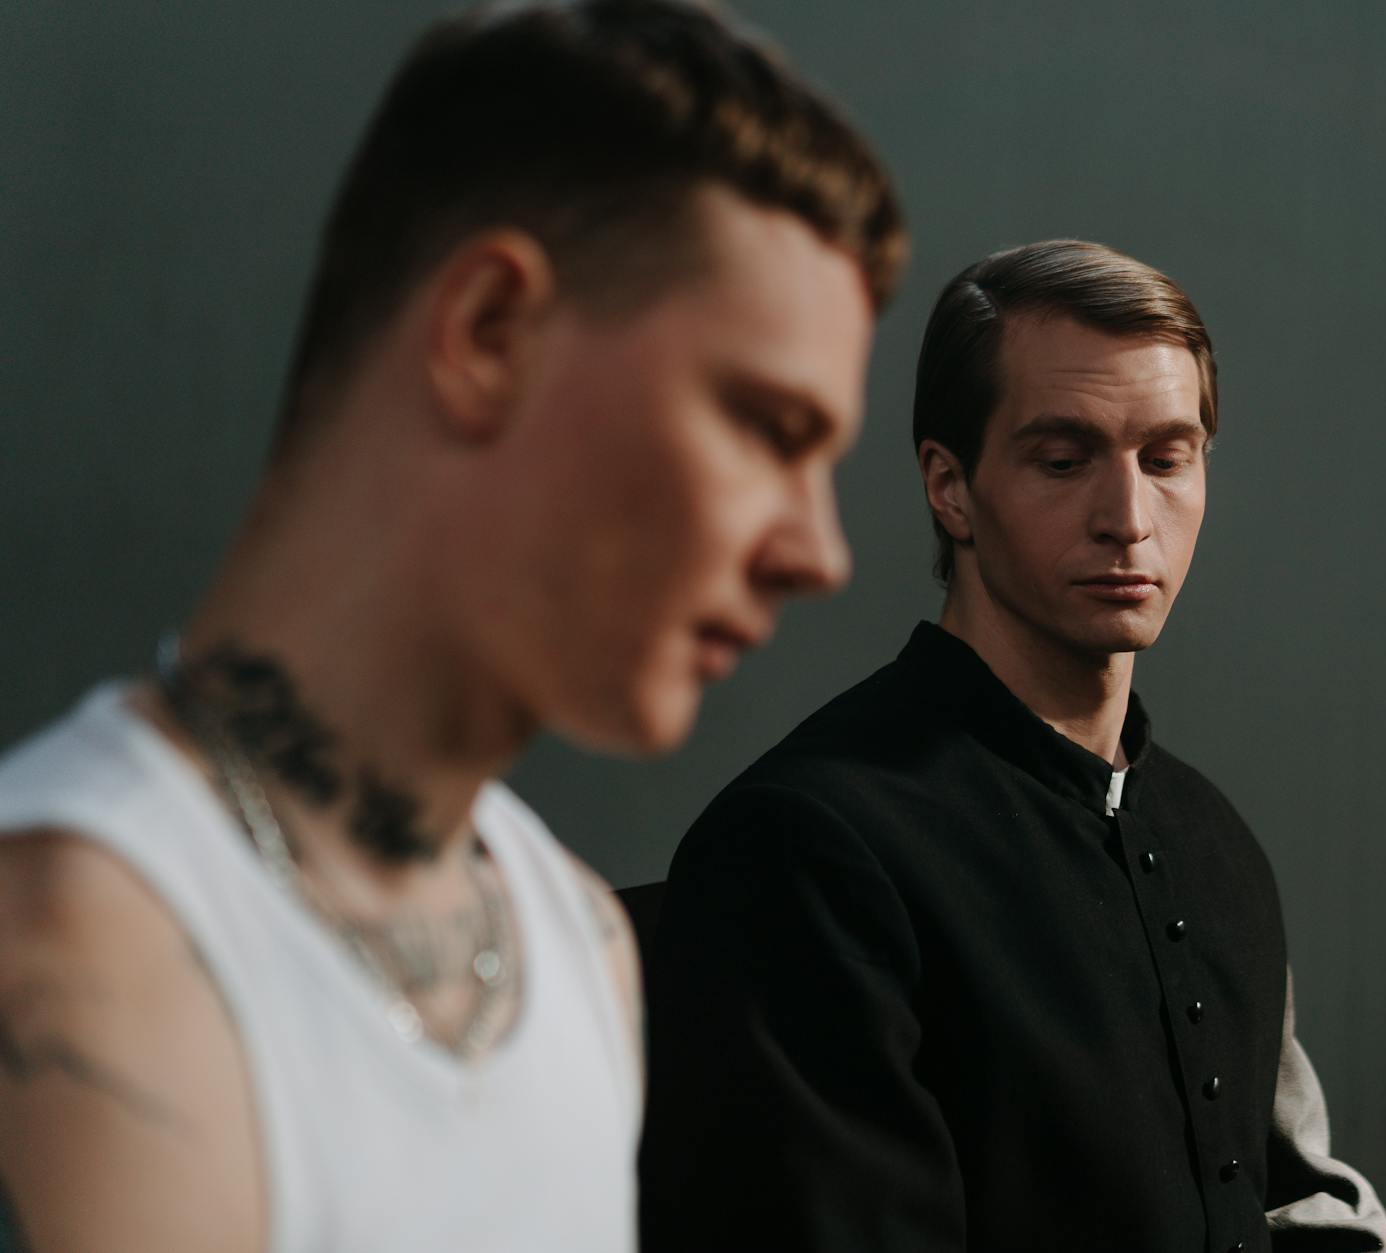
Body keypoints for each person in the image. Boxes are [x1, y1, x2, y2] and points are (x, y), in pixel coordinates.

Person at [0, 2, 904, 1249]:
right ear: (489, 333)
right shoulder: (79, 934)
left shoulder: (584, 951)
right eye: (766, 427)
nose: (819, 551)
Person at [639, 240, 1386, 1252]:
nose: (1127, 519)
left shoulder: (1214, 844)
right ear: (948, 487)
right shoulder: (803, 847)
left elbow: (1296, 1201)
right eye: (1062, 457)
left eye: (1165, 457)